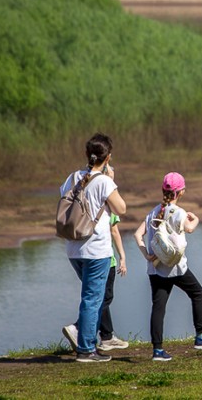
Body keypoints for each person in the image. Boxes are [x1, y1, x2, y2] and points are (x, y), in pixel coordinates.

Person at [133, 171, 202, 362]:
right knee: (197, 293)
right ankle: (201, 337)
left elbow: (137, 235)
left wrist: (148, 256)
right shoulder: (178, 212)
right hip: (175, 267)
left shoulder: (153, 212)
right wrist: (196, 218)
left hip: (156, 269)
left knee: (158, 307)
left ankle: (157, 351)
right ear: (180, 192)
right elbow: (189, 228)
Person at [60, 133, 127, 363]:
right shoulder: (104, 181)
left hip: (73, 249)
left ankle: (90, 341)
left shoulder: (72, 178)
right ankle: (86, 349)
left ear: (87, 155)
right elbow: (121, 209)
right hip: (96, 250)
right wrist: (110, 178)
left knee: (92, 297)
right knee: (92, 299)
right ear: (107, 157)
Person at [62, 214, 130, 352]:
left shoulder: (83, 203)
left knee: (97, 295)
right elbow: (114, 231)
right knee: (104, 298)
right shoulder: (107, 205)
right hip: (103, 259)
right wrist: (122, 256)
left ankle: (107, 337)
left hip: (78, 255)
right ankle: (77, 327)